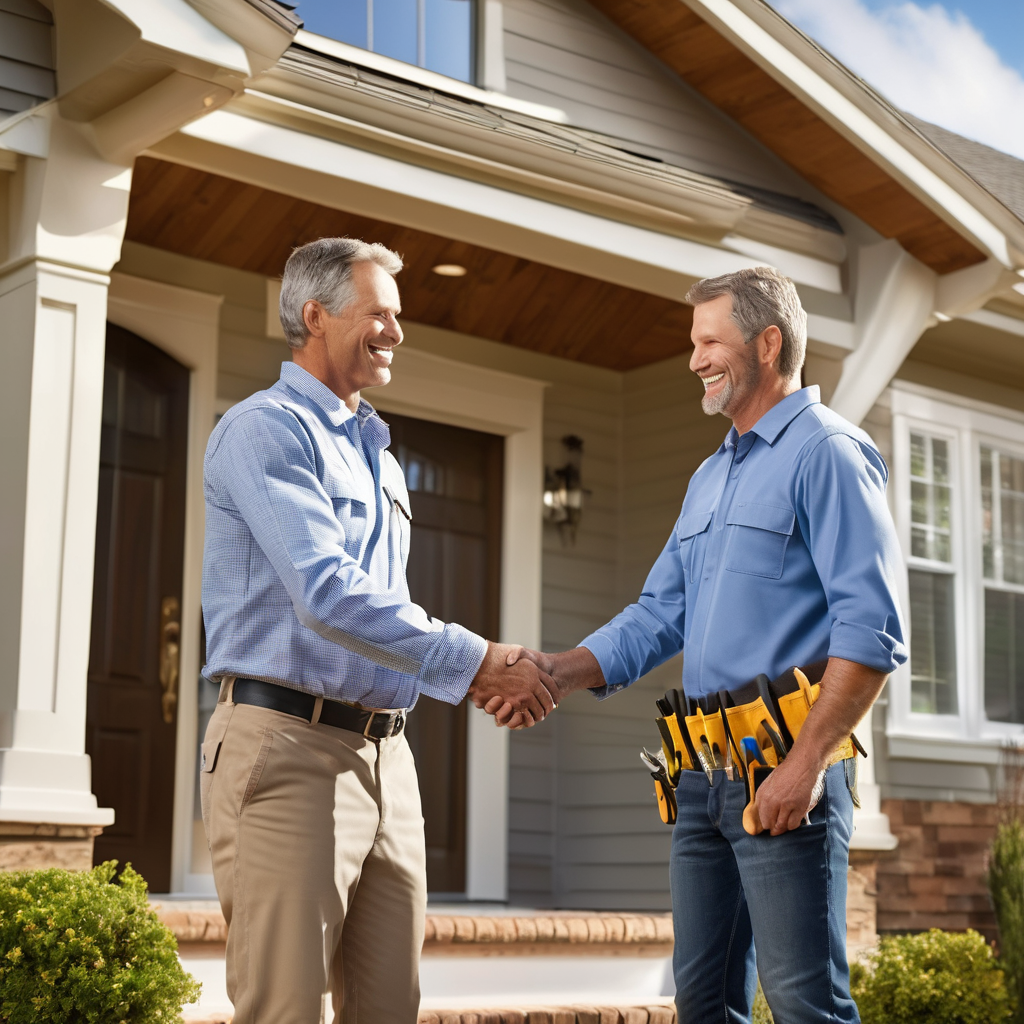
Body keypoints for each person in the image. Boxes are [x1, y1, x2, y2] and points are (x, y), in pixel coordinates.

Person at [505, 266, 906, 1023]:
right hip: (701, 774)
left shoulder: (828, 453)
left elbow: (870, 629)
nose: (694, 359)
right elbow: (660, 612)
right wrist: (556, 672)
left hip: (786, 769)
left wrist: (805, 765)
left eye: (709, 341)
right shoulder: (710, 476)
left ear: (769, 341)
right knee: (704, 1005)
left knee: (804, 1005)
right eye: (694, 343)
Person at [199, 237, 554, 1024]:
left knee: (389, 1008)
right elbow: (327, 594)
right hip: (287, 748)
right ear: (315, 315)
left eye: (399, 316)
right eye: (379, 313)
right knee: (286, 1008)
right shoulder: (268, 431)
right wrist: (480, 661)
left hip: (389, 758)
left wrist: (489, 673)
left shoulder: (382, 455)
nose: (396, 331)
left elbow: (377, 608)